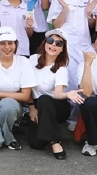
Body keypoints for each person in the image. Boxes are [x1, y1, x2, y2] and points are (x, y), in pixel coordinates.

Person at [26, 30, 79, 159]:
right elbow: (26, 86)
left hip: (57, 105)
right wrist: (32, 108)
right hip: (37, 105)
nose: (53, 45)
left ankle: (55, 142)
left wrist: (68, 95)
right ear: (45, 43)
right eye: (50, 41)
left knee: (45, 100)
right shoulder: (32, 60)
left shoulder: (61, 69)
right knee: (36, 144)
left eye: (59, 43)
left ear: (62, 49)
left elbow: (58, 94)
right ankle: (50, 131)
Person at [46, 0, 95, 82]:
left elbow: (92, 25)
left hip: (85, 43)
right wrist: (65, 10)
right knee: (69, 76)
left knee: (87, 74)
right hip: (67, 45)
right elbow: (55, 25)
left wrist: (89, 13)